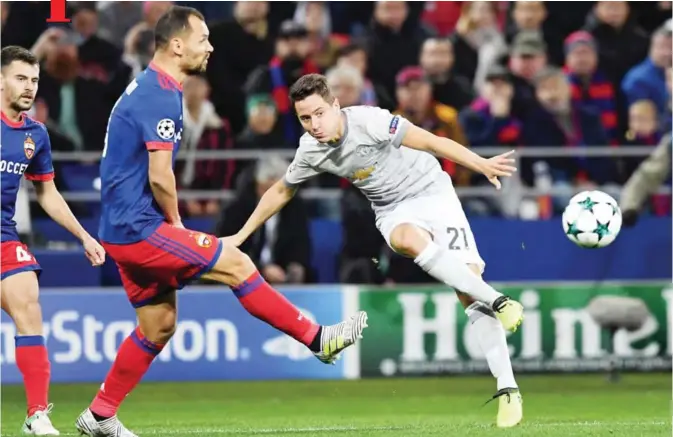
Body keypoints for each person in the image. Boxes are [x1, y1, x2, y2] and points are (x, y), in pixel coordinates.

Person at [75, 8, 367, 437]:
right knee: (237, 262)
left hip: (120, 229)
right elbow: (160, 175)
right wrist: (174, 224)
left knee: (158, 325)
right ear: (177, 45)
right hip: (138, 228)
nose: (210, 46)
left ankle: (99, 415)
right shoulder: (160, 93)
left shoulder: (148, 87)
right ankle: (317, 339)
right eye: (203, 38)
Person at [224, 73, 524, 428]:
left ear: (335, 105)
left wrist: (481, 164)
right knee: (404, 240)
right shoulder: (310, 149)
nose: (314, 124)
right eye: (305, 118)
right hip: (391, 208)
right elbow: (280, 191)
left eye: (320, 113)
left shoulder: (372, 121)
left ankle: (508, 389)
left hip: (433, 192)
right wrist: (241, 234)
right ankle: (500, 301)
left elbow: (430, 141)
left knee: (468, 291)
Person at [1, 45, 106, 436]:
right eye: (20, 78)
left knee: (29, 304)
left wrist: (83, 235)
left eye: (34, 80)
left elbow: (46, 193)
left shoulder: (35, 134)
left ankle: (36, 415)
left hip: (3, 238)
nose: (29, 87)